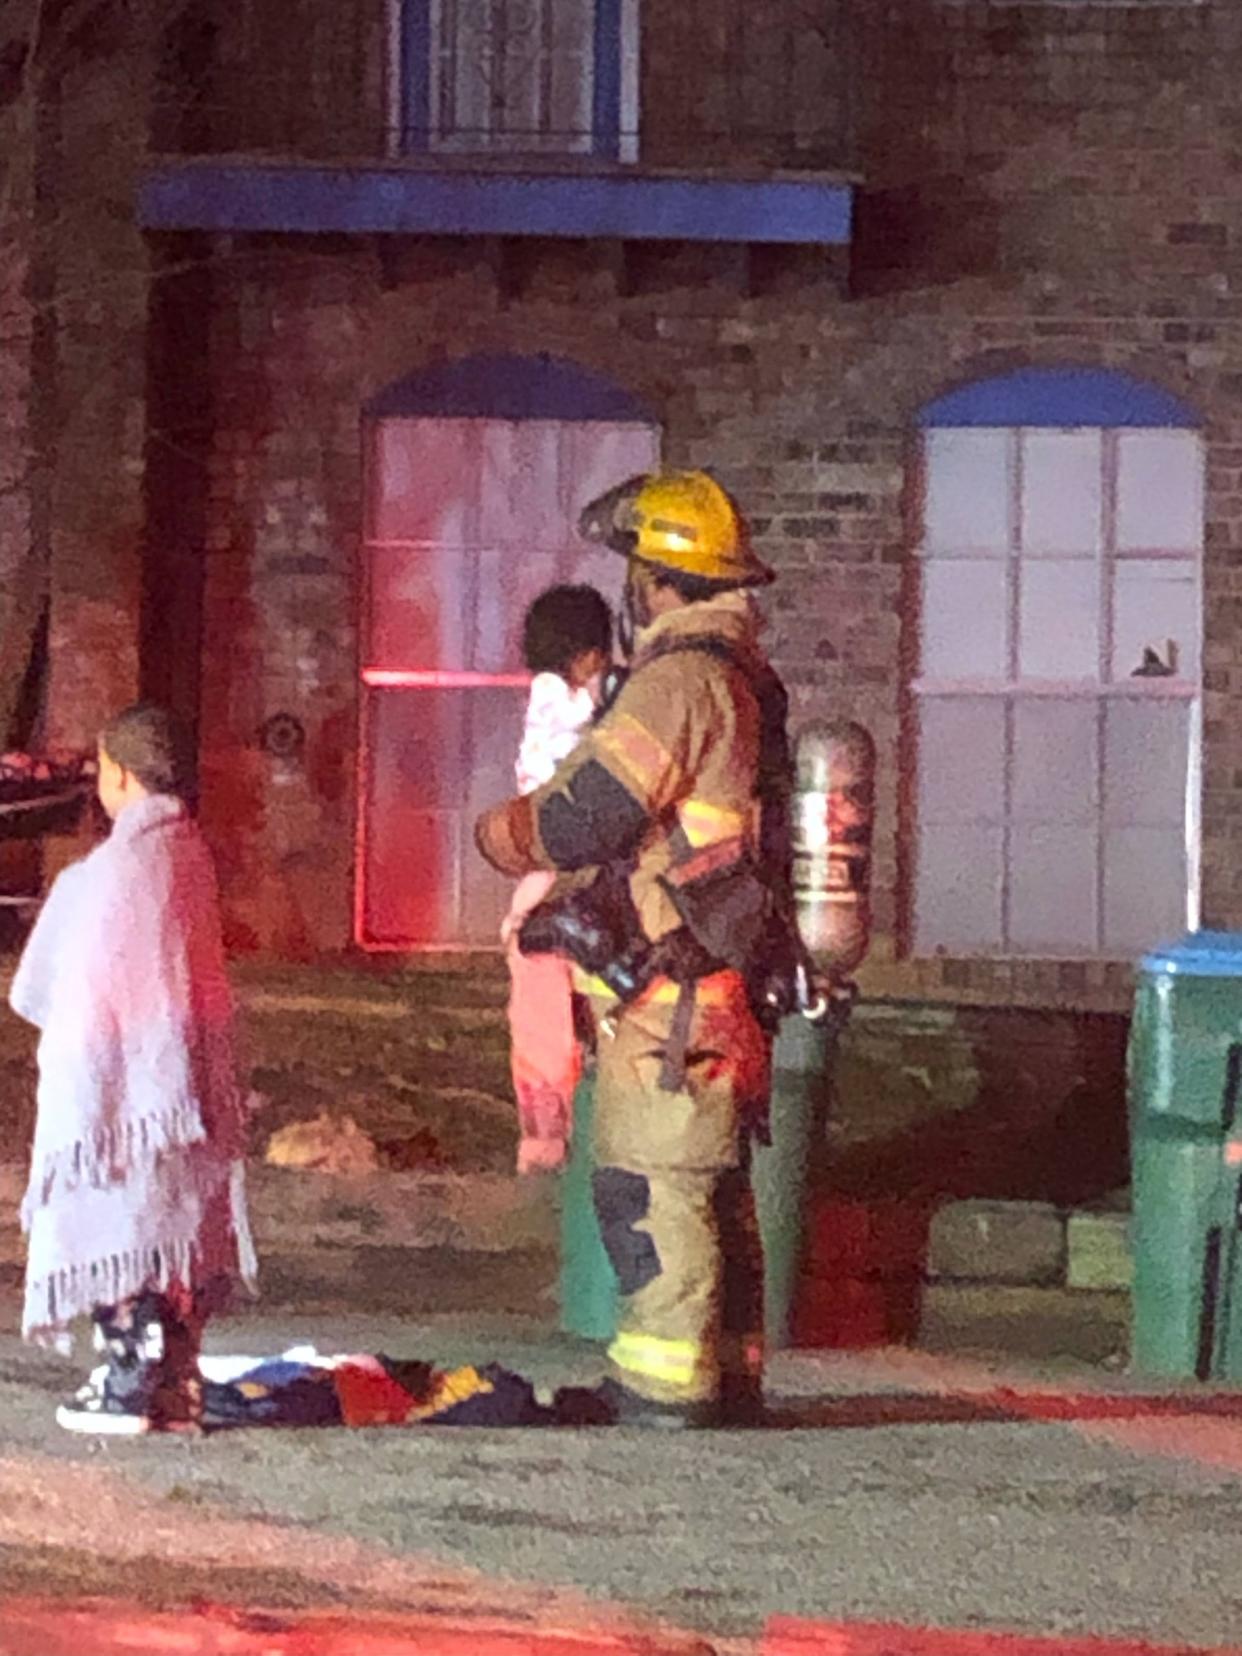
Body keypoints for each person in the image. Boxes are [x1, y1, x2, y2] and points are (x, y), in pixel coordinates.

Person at [476, 470, 788, 1429]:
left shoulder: (679, 681)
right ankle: (721, 1374)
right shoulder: (743, 676)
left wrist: (500, 836)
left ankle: (660, 1385)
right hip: (718, 981)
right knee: (709, 1190)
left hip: (671, 992)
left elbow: (584, 815)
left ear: (656, 582)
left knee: (649, 1185)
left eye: (637, 573)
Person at [11, 702, 256, 1435]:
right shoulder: (189, 856)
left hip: (120, 1092)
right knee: (175, 1220)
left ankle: (125, 1378)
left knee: (114, 1213)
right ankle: (172, 1380)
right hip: (182, 1082)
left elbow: (44, 985)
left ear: (118, 772)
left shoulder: (108, 874)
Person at [503, 584, 612, 1174]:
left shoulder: (544, 699)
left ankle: (548, 1138)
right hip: (562, 877)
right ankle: (551, 1144)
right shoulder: (564, 702)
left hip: (546, 878)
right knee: (554, 1015)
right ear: (588, 654)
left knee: (544, 1016)